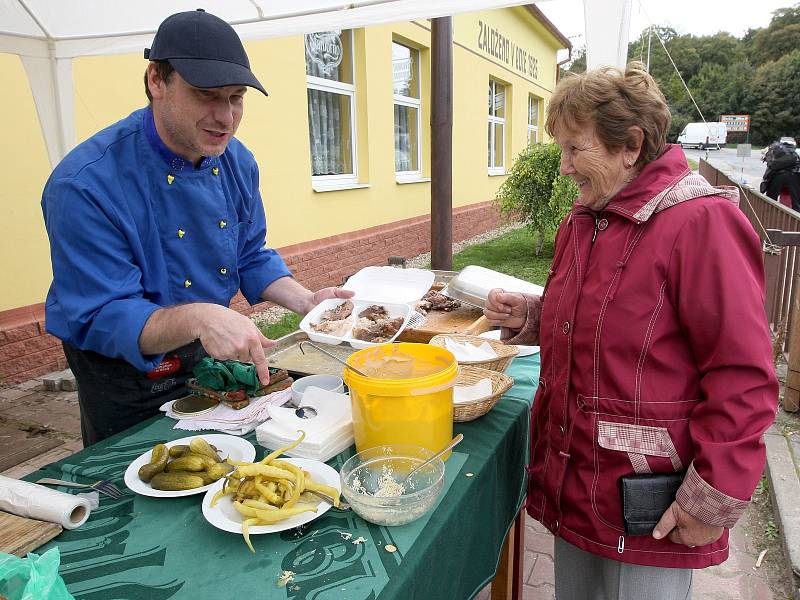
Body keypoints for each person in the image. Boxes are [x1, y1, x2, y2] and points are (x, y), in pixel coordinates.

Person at [484, 63, 777, 599]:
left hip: (651, 502)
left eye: (576, 149)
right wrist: (531, 317)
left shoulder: (700, 222)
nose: (565, 166)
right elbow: (600, 318)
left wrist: (710, 498)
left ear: (631, 145)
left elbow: (743, 375)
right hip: (581, 483)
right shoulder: (588, 216)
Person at [41, 9, 352, 446]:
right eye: (206, 94)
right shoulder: (85, 184)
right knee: (134, 483)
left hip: (205, 344)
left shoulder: (237, 161)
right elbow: (102, 313)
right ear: (156, 81)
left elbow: (249, 253)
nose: (225, 117)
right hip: (125, 371)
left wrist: (305, 300)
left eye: (236, 97)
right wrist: (203, 317)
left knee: (223, 455)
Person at [760, 140, 800, 211]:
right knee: (797, 202)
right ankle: (797, 219)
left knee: (771, 200)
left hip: (778, 176)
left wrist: (764, 185)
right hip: (794, 175)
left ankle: (770, 215)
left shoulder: (774, 154)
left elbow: (768, 172)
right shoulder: (793, 153)